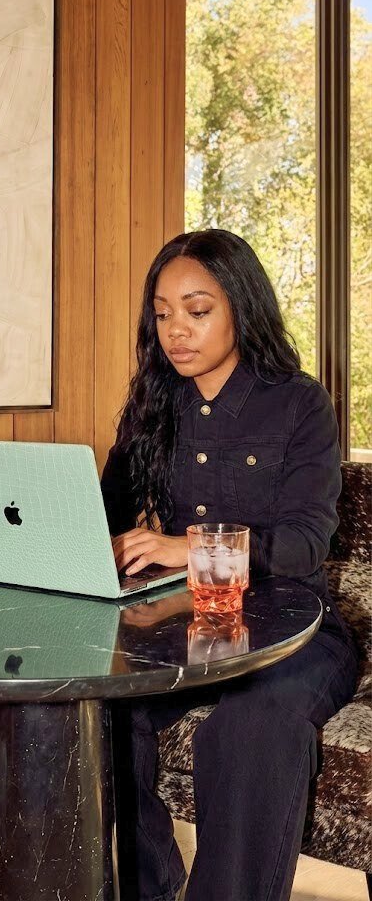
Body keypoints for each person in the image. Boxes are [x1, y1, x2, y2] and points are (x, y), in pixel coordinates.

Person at [100, 229, 358, 901]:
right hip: (183, 624)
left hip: (295, 632)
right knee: (101, 708)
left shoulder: (300, 403)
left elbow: (304, 545)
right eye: (162, 313)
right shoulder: (152, 404)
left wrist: (188, 547)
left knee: (251, 728)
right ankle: (150, 889)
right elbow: (105, 516)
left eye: (197, 310)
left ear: (241, 307)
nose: (176, 330)